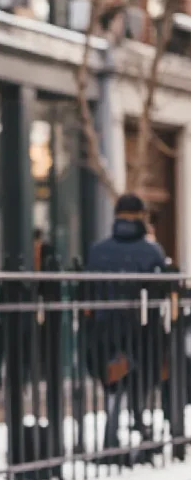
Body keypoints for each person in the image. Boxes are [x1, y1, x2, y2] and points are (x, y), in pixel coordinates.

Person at [85, 193, 165, 455]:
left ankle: (112, 435)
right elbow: (162, 293)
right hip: (142, 331)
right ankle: (140, 428)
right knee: (140, 378)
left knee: (113, 383)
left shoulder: (97, 251)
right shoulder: (152, 252)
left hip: (104, 330)